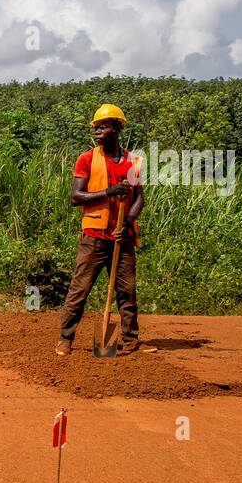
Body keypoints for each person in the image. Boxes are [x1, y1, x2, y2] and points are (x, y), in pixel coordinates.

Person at [55, 103, 158, 356]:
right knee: (79, 290)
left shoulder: (134, 162)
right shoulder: (87, 159)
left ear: (117, 128)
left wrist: (126, 223)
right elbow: (76, 196)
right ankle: (65, 339)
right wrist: (108, 192)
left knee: (127, 292)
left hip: (122, 239)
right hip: (94, 238)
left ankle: (130, 340)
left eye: (103, 127)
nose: (97, 132)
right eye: (96, 128)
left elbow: (139, 198)